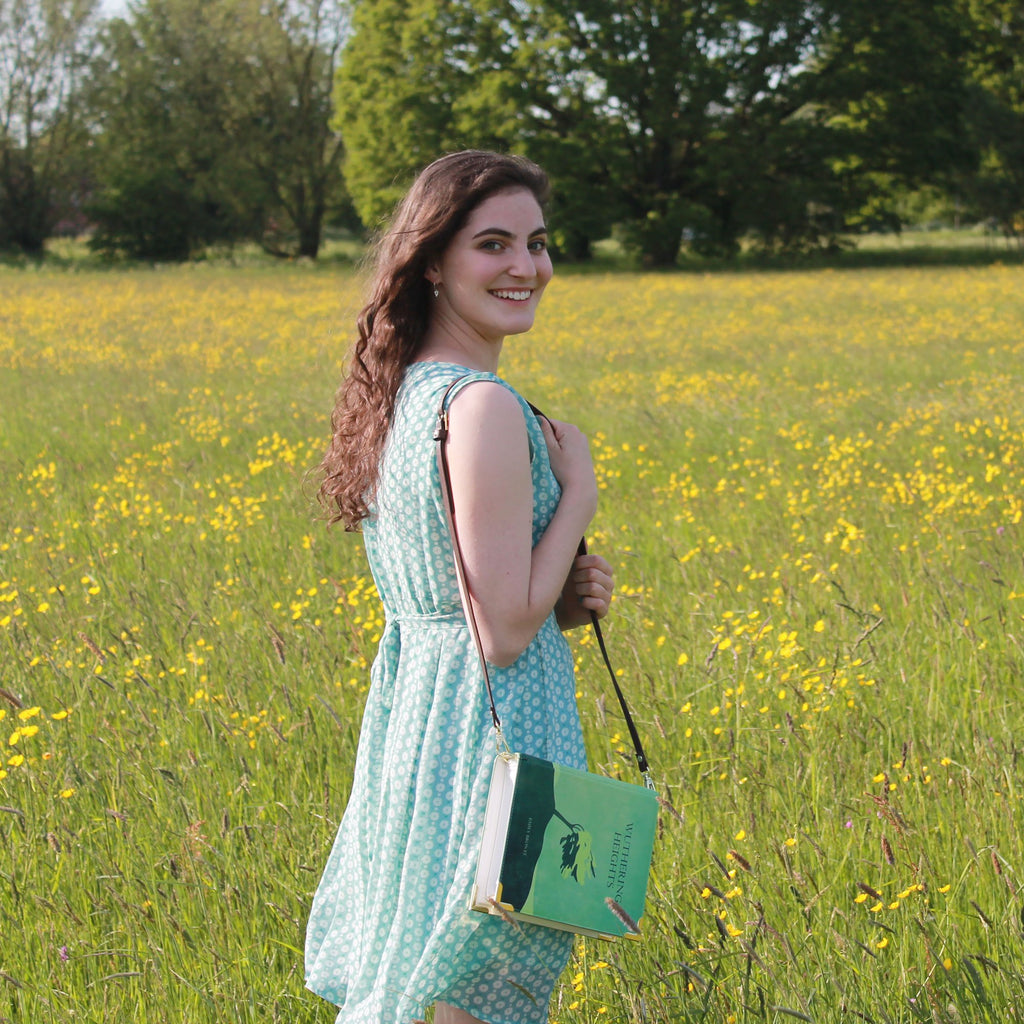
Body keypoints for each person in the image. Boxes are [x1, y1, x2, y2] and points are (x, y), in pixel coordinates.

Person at [305, 150, 614, 1024]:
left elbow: (469, 596)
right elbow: (501, 634)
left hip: (424, 725)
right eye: (493, 244)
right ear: (433, 260)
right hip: (493, 733)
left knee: (431, 983)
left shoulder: (407, 396)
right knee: (470, 994)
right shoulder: (478, 407)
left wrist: (563, 591)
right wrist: (579, 495)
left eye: (538, 242)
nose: (526, 267)